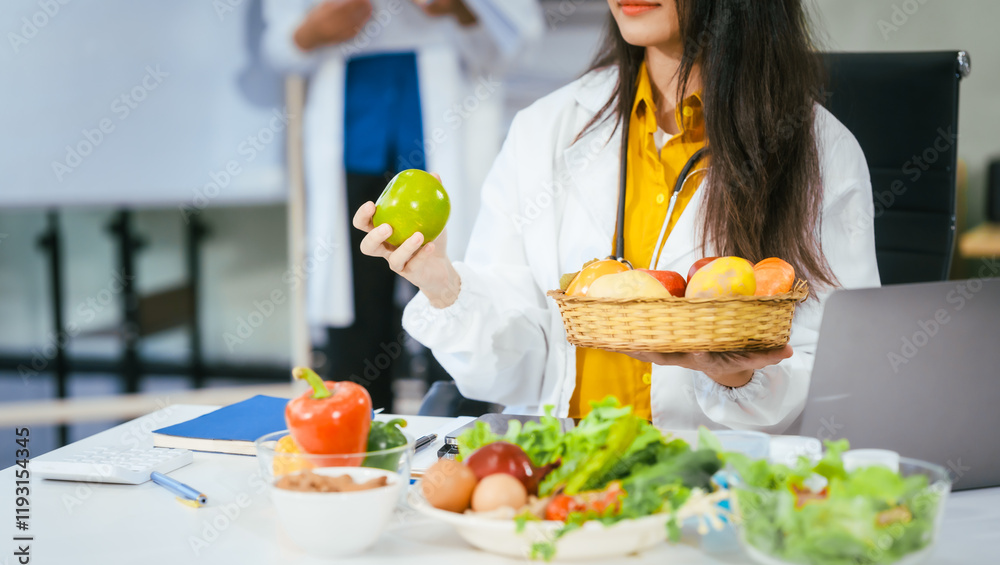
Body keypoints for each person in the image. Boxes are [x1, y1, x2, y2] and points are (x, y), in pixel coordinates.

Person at [352, 0, 881, 432]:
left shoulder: (821, 151)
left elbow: (838, 375)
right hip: (567, 483)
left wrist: (737, 378)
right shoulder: (545, 129)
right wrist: (444, 286)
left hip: (717, 490)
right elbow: (513, 372)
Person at [262, 0, 543, 409]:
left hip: (441, 120)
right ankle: (359, 436)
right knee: (357, 308)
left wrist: (460, 9)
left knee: (452, 297)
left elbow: (515, 41)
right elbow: (278, 47)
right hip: (353, 127)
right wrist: (313, 31)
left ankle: (457, 435)